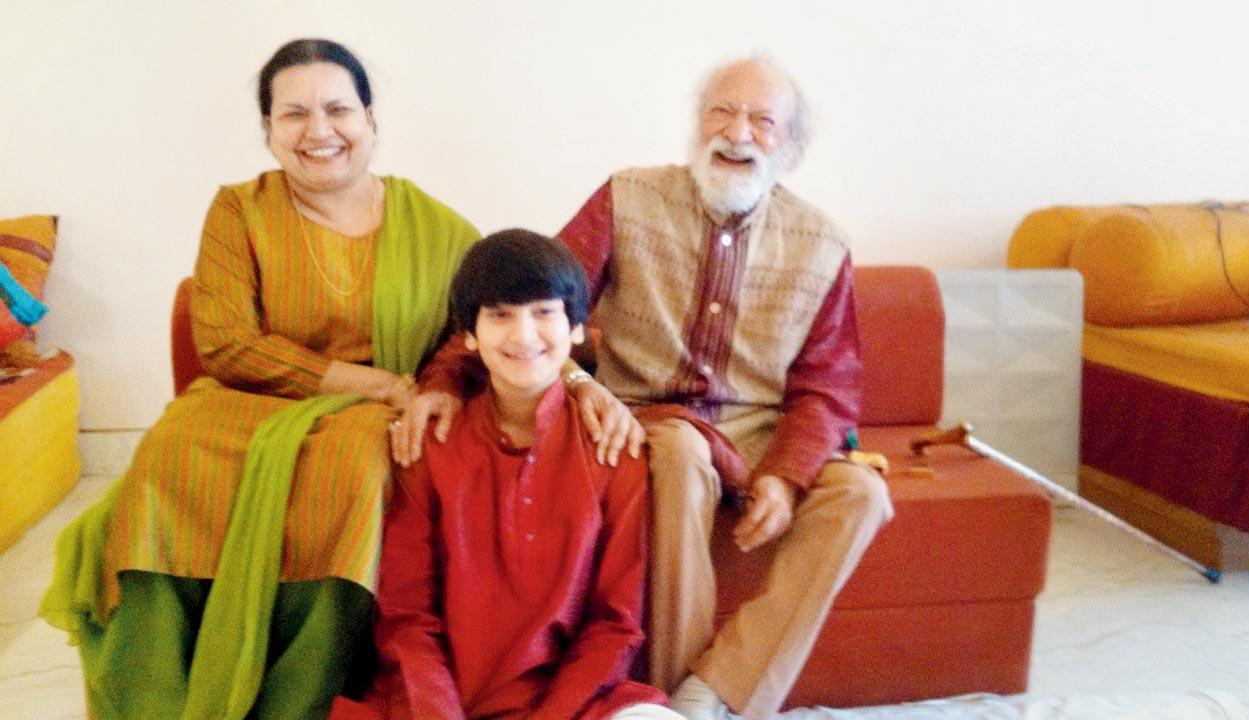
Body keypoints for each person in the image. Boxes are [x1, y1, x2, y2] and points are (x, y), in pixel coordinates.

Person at [41, 39, 636, 720]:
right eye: (293, 114)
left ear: (371, 120)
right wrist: (378, 384)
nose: (318, 131)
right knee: (167, 453)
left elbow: (497, 323)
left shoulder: (437, 229)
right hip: (246, 404)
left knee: (358, 469)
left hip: (366, 425)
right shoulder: (238, 212)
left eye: (337, 109)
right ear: (268, 129)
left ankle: (300, 701)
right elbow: (226, 342)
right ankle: (158, 696)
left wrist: (583, 382)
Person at [553, 56, 895, 720]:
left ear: (790, 147)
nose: (737, 132)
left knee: (863, 492)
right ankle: (660, 699)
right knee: (682, 451)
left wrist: (788, 474)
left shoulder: (822, 242)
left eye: (763, 121)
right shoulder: (628, 196)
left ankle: (710, 696)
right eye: (721, 111)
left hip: (754, 431)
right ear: (697, 124)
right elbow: (547, 300)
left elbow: (827, 385)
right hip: (648, 418)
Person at [330, 230, 681, 720]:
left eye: (543, 312)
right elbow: (407, 620)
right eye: (500, 315)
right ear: (469, 335)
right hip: (438, 704)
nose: (523, 335)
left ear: (577, 326)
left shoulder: (612, 448)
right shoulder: (431, 445)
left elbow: (615, 623)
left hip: (573, 706)